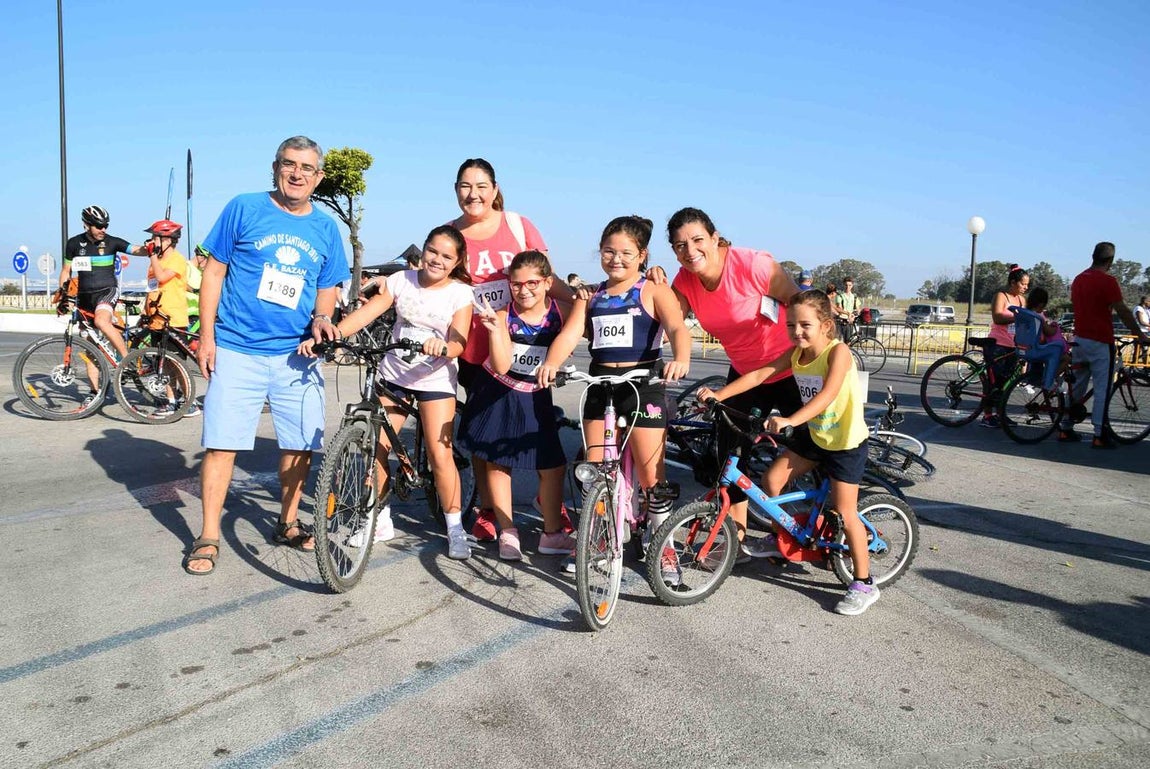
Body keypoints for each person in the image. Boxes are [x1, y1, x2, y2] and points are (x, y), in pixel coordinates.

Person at [186, 136, 350, 576]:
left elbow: (328, 284)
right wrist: (207, 336)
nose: (297, 174)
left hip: (297, 355)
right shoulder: (244, 207)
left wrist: (321, 317)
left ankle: (288, 521)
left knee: (300, 446)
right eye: (289, 164)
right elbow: (214, 271)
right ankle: (207, 535)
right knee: (222, 444)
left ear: (318, 177)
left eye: (307, 168)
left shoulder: (326, 227)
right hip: (237, 348)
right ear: (275, 167)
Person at [700, 290, 877, 616]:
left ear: (826, 325)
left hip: (845, 444)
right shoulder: (796, 354)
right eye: (791, 325)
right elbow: (758, 374)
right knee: (771, 480)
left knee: (845, 511)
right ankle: (787, 538)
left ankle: (864, 583)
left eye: (805, 325)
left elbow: (827, 395)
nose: (797, 332)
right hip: (817, 438)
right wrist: (719, 395)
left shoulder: (839, 353)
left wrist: (791, 419)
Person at [307, 225, 474, 558]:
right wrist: (334, 334)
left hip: (435, 379)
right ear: (423, 250)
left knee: (440, 455)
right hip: (394, 373)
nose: (436, 259)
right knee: (376, 448)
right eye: (432, 251)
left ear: (456, 262)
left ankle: (456, 528)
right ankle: (379, 518)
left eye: (446, 256)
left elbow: (459, 341)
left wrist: (443, 346)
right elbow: (369, 312)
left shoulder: (459, 293)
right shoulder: (402, 281)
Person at [540, 215, 692, 577]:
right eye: (609, 251)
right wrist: (551, 363)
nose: (616, 259)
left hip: (643, 386)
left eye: (626, 252)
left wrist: (681, 359)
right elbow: (570, 333)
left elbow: (676, 327)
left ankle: (663, 543)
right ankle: (602, 537)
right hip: (601, 386)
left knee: (651, 474)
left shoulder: (653, 290)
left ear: (642, 255)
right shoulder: (590, 296)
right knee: (596, 473)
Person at [659, 207, 801, 558]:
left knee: (813, 449)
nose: (690, 251)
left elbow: (803, 305)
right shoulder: (685, 281)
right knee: (730, 454)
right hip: (746, 373)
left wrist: (828, 362)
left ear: (714, 237)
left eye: (697, 240)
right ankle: (736, 535)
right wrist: (652, 283)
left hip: (793, 369)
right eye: (679, 246)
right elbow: (666, 320)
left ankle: (818, 527)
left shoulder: (753, 265)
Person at [448, 158, 574, 541]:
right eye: (466, 186)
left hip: (528, 348)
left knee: (540, 431)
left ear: (495, 188)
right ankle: (489, 509)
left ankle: (550, 506)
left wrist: (585, 303)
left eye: (482, 185)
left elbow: (547, 279)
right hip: (476, 351)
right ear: (456, 190)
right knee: (484, 437)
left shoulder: (518, 226)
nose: (474, 194)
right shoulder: (449, 233)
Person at [459, 250, 575, 561]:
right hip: (498, 391)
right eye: (516, 284)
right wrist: (496, 332)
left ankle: (552, 533)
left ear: (548, 282)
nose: (524, 290)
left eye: (532, 283)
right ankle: (508, 532)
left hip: (536, 395)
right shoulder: (502, 316)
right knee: (499, 461)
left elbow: (587, 313)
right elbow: (500, 364)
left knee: (551, 464)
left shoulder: (562, 311)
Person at [1057, 243, 1150, 448]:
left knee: (1078, 386)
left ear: (1093, 256)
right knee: (1102, 388)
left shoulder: (1079, 279)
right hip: (1100, 341)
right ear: (1110, 261)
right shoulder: (1108, 281)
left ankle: (1065, 427)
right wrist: (1138, 333)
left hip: (1079, 339)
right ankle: (1100, 434)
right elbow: (1123, 310)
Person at [56, 205, 148, 407]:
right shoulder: (73, 244)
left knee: (102, 320)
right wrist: (63, 294)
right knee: (90, 349)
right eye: (98, 226)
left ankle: (127, 360)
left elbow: (136, 250)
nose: (103, 229)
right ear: (86, 225)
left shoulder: (112, 242)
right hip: (84, 297)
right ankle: (95, 391)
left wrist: (150, 246)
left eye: (105, 225)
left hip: (107, 291)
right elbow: (66, 271)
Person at [141, 218, 198, 417]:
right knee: (162, 364)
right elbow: (153, 286)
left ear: (167, 240)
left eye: (155, 238)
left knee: (176, 363)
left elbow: (163, 277)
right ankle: (172, 401)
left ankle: (189, 402)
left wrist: (153, 257)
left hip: (173, 318)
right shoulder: (157, 260)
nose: (152, 242)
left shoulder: (177, 260)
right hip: (157, 317)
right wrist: (145, 311)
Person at [982, 265, 1030, 427]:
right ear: (1012, 282)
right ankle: (987, 415)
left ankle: (1001, 414)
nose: (1025, 287)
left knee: (1007, 383)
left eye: (1027, 284)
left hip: (1013, 346)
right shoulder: (1001, 296)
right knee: (994, 382)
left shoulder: (1022, 300)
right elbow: (997, 317)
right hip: (997, 344)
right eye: (1023, 284)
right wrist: (1017, 317)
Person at [1018, 287, 1068, 392]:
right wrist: (1055, 327)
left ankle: (1046, 377)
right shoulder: (1038, 316)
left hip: (1024, 348)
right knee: (1066, 358)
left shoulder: (1024, 313)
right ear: (1041, 304)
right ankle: (1049, 379)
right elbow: (1049, 332)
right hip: (1037, 349)